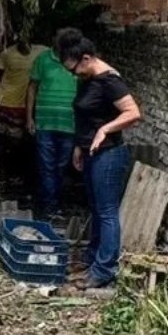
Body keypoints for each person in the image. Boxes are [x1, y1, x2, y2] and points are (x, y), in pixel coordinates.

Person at [56, 33, 142, 289]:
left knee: (107, 212)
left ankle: (105, 270)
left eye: (76, 70)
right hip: (91, 152)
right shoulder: (88, 78)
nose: (75, 76)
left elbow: (133, 112)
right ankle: (92, 260)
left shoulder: (109, 80)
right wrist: (79, 147)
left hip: (110, 154)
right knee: (95, 209)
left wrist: (106, 129)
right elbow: (86, 117)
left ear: (86, 58)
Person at [27, 30, 80, 222]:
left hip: (69, 125)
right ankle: (49, 207)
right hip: (45, 122)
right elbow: (32, 87)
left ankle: (52, 204)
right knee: (46, 167)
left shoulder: (78, 62)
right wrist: (29, 117)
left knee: (61, 167)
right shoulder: (43, 59)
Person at [0, 32, 47, 194]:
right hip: (5, 102)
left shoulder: (43, 52)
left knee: (21, 142)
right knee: (5, 141)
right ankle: (4, 175)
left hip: (26, 104)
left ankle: (17, 176)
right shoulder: (7, 54)